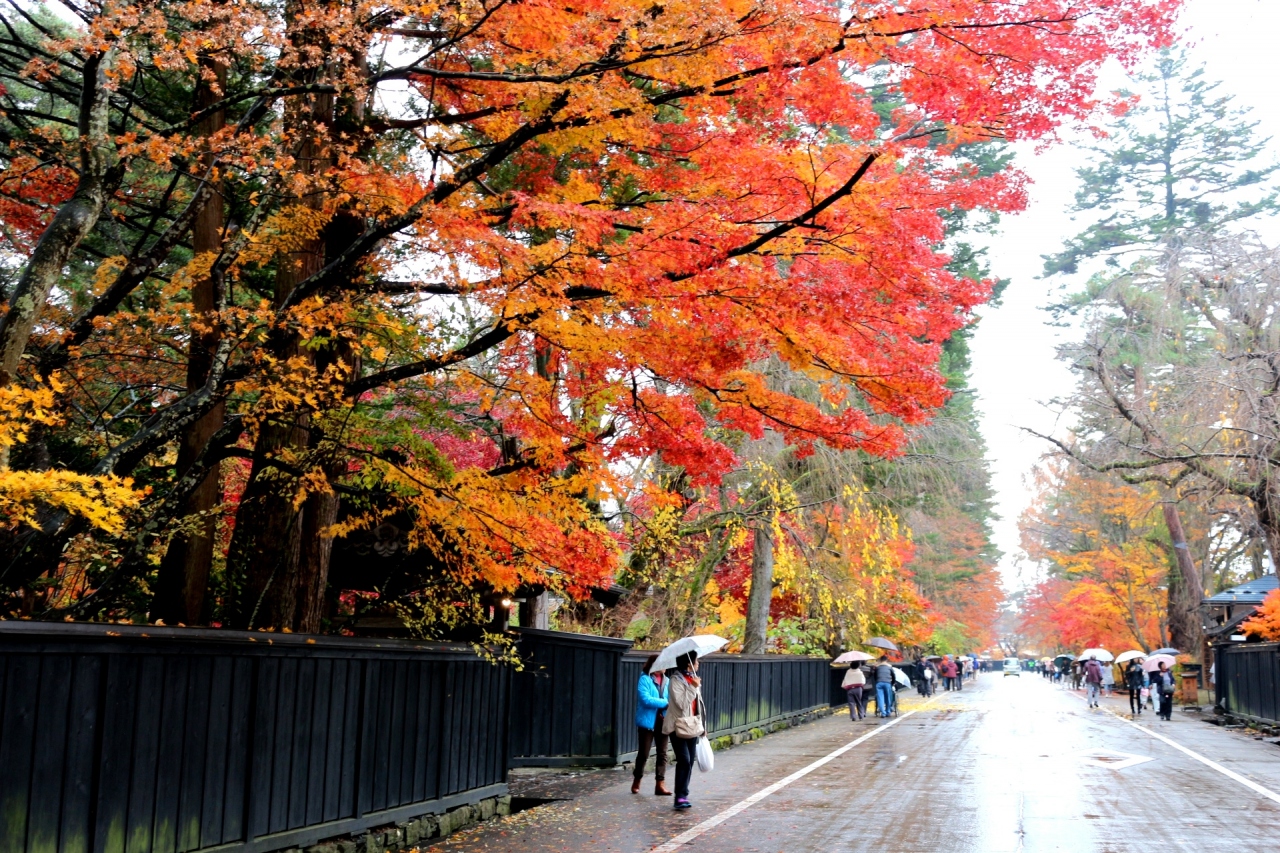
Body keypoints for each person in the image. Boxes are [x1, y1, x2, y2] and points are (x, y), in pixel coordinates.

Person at [661, 651, 706, 810]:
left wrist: (702, 727)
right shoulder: (675, 680)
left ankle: (683, 795)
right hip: (677, 726)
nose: (698, 663)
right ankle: (679, 796)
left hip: (692, 725)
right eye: (696, 661)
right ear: (689, 663)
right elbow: (681, 704)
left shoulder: (693, 679)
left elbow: (697, 706)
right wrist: (693, 687)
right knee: (684, 760)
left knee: (690, 761)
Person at [632, 653, 672, 795]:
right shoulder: (644, 679)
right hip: (647, 721)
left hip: (663, 721)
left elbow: (671, 698)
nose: (666, 666)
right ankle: (637, 780)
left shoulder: (667, 681)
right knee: (643, 753)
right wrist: (665, 703)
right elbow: (645, 699)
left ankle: (660, 784)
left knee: (662, 753)